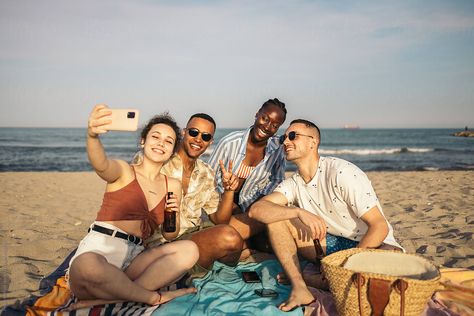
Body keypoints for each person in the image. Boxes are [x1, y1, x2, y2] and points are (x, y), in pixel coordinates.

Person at [248, 119, 403, 312]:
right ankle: (300, 287)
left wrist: (345, 264)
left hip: (370, 245)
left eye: (292, 136)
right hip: (328, 244)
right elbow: (257, 210)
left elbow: (380, 227)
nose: (286, 142)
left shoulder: (340, 172)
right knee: (276, 218)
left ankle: (316, 277)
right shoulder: (293, 183)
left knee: (388, 265)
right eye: (283, 137)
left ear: (313, 142)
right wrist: (297, 211)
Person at [66, 104, 198, 309]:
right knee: (86, 265)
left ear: (173, 151)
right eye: (155, 137)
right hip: (100, 250)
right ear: (143, 140)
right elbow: (101, 165)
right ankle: (151, 297)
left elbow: (170, 234)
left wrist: (174, 215)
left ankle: (112, 297)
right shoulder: (125, 171)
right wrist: (92, 136)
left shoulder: (171, 185)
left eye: (168, 141)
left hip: (134, 258)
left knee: (190, 249)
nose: (161, 143)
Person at [146, 113, 243, 273]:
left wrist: (229, 191)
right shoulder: (159, 160)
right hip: (160, 242)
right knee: (230, 238)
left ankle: (192, 266)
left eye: (205, 136)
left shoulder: (207, 172)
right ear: (184, 132)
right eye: (193, 132)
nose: (198, 139)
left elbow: (220, 220)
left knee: (238, 240)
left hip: (192, 235)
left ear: (210, 142)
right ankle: (183, 271)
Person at [207, 98, 287, 255]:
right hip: (221, 204)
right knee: (231, 239)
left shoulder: (277, 151)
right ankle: (243, 243)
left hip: (252, 208)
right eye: (265, 118)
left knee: (271, 232)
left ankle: (246, 243)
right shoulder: (230, 142)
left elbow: (277, 181)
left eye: (275, 125)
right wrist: (228, 202)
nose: (267, 126)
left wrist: (259, 203)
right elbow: (208, 178)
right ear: (257, 115)